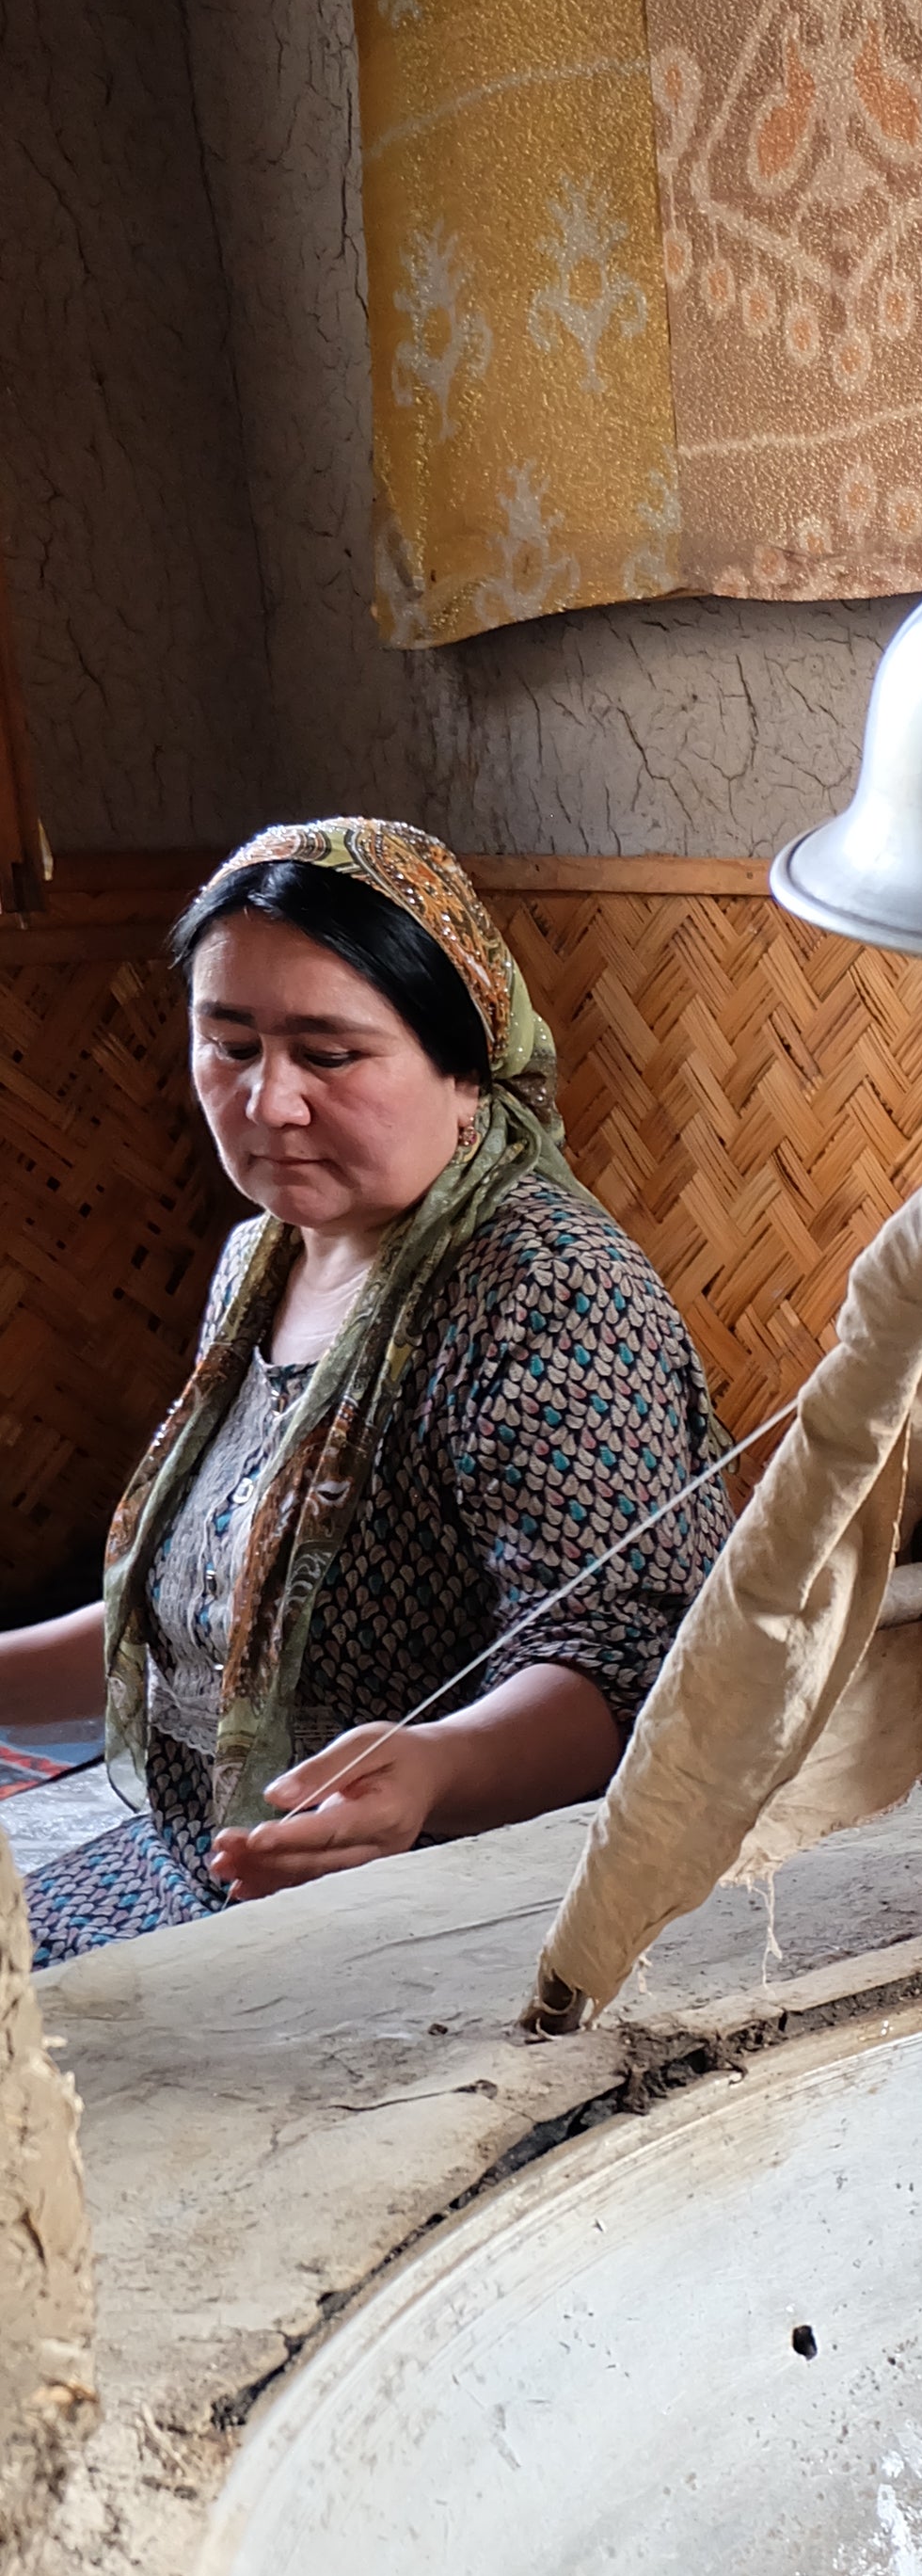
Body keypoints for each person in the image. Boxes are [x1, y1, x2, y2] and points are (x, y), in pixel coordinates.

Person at [1, 818, 734, 1963]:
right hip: (206, 1866)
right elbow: (209, 1605)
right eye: (229, 1044)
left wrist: (435, 1772)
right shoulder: (265, 1259)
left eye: (329, 1054)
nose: (269, 1102)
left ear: (463, 1069)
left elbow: (632, 1666)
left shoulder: (548, 1291)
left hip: (448, 1914)